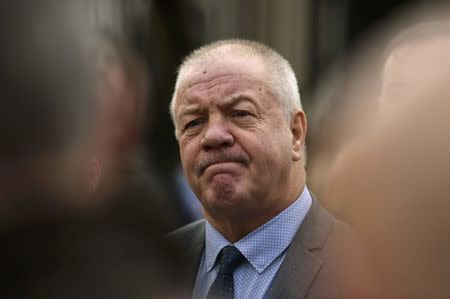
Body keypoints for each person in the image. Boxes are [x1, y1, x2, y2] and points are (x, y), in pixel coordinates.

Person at [168, 39, 374, 298]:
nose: (213, 136)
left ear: (295, 134)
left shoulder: (368, 269)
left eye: (240, 113)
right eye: (194, 122)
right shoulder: (153, 265)